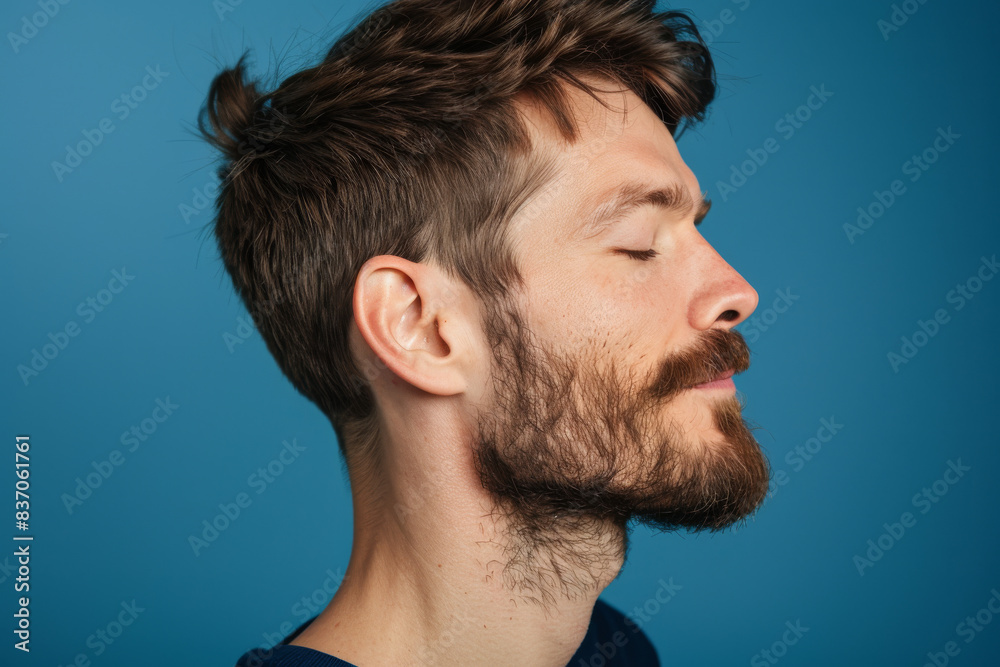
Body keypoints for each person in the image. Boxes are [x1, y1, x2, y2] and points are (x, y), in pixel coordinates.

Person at [198, 0, 772, 664]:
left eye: (697, 228)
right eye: (641, 243)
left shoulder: (616, 652)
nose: (738, 291)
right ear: (419, 326)